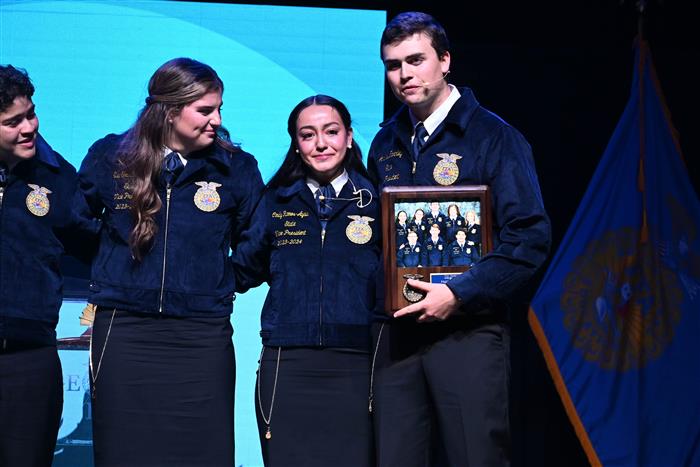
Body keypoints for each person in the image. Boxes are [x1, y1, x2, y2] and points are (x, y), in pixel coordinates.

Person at [367, 12, 551, 467]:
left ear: (445, 61)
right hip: (399, 335)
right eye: (393, 65)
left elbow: (528, 239)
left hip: (469, 332)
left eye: (416, 60)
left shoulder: (494, 137)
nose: (404, 75)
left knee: (475, 457)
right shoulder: (384, 144)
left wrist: (459, 293)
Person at [76, 58, 263, 466]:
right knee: (126, 452)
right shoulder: (111, 156)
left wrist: (220, 280)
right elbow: (77, 222)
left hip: (201, 334)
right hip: (126, 331)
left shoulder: (236, 168)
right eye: (205, 110)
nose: (217, 120)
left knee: (202, 452)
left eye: (219, 109)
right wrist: (114, 270)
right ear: (170, 111)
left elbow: (258, 241)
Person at [233, 95, 379, 467]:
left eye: (331, 132)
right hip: (287, 363)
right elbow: (243, 269)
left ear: (349, 137)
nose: (321, 144)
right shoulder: (274, 201)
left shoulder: (378, 202)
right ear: (296, 145)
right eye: (308, 135)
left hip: (359, 363)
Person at [0, 64, 81, 467]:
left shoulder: (59, 177)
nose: (28, 127)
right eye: (12, 122)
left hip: (29, 356)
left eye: (30, 114)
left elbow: (95, 247)